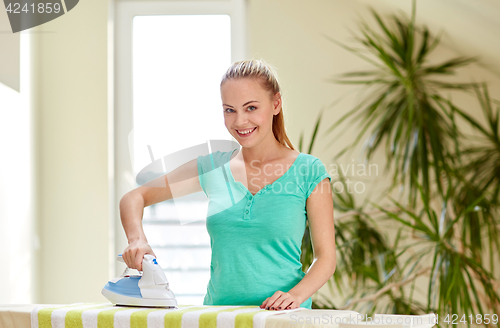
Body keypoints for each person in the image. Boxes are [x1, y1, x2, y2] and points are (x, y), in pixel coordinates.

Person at [120, 59, 336, 311]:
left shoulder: (308, 171)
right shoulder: (212, 168)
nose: (240, 121)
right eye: (229, 110)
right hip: (219, 315)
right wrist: (137, 240)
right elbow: (135, 197)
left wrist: (296, 296)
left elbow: (326, 258)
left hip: (284, 318)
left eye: (251, 107)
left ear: (276, 104)